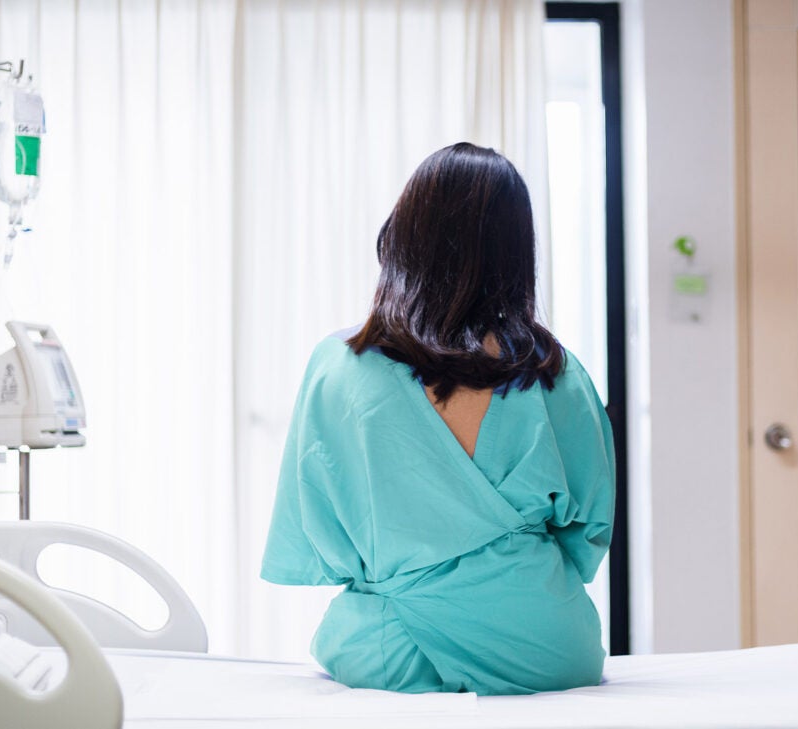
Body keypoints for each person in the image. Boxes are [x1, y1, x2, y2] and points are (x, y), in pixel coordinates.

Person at [261, 142, 615, 696]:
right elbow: (588, 530)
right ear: (516, 251)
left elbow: (317, 527)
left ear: (402, 236)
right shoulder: (555, 374)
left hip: (384, 650)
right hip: (540, 644)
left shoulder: (338, 368)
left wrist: (406, 556)